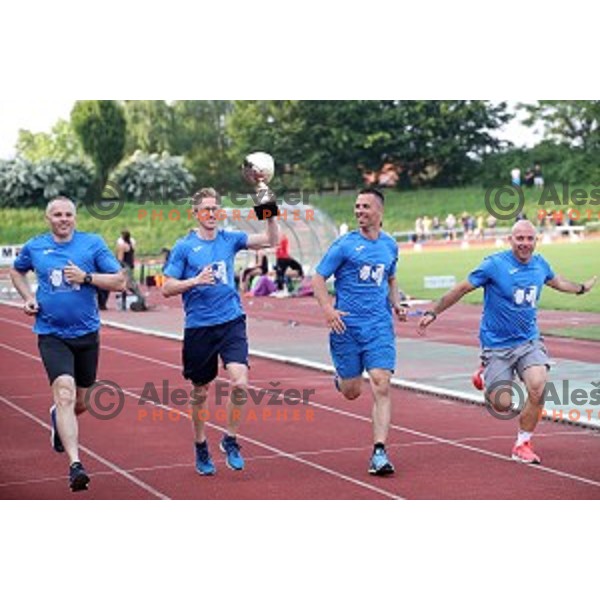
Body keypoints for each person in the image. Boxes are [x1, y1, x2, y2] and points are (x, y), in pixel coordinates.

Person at [417, 220, 597, 464]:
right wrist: (433, 312)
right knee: (501, 405)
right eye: (519, 238)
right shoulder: (494, 265)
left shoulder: (540, 264)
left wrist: (580, 289)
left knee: (538, 386)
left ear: (535, 241)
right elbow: (461, 289)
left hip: (528, 341)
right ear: (510, 240)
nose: (524, 243)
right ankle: (483, 374)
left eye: (529, 239)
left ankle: (522, 443)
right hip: (497, 345)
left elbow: (557, 282)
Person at [9, 197, 125, 491]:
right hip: (51, 333)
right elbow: (16, 271)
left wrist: (86, 277)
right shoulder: (36, 246)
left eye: (68, 214)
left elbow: (119, 281)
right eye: (57, 215)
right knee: (64, 394)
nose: (63, 219)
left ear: (75, 217)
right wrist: (29, 298)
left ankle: (57, 418)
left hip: (86, 334)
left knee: (81, 403)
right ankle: (75, 465)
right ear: (48, 218)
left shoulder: (92, 244)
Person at [162, 187, 278, 475]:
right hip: (199, 326)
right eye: (206, 209)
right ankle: (201, 444)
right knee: (200, 390)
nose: (212, 214)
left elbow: (270, 239)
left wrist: (268, 207)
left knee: (240, 382)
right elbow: (166, 287)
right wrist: (194, 281)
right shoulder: (184, 247)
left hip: (231, 321)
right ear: (196, 213)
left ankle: (230, 438)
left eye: (216, 209)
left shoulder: (230, 239)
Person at [312, 188, 407, 475]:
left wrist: (396, 302)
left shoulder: (390, 245)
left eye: (365, 206)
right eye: (357, 206)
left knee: (381, 382)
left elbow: (390, 277)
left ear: (379, 211)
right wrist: (328, 309)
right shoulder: (344, 246)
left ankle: (379, 451)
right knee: (352, 391)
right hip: (346, 326)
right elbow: (318, 278)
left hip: (378, 325)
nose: (359, 211)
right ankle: (341, 378)